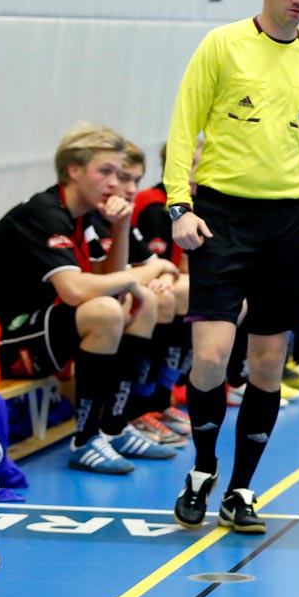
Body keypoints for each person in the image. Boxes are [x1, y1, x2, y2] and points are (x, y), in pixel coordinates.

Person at [165, 0, 299, 536]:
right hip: (222, 217)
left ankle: (241, 488)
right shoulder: (222, 46)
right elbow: (183, 122)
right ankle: (203, 469)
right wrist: (178, 206)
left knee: (269, 364)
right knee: (212, 358)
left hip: (288, 226)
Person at [0, 125, 178, 474]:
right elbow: (76, 291)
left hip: (47, 325)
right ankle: (86, 438)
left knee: (139, 304)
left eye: (118, 173)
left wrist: (122, 228)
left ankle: (115, 424)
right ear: (74, 171)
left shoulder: (90, 215)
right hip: (2, 339)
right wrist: (143, 275)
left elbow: (111, 281)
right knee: (106, 311)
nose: (115, 182)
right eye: (105, 172)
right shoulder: (44, 213)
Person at [118, 141, 192, 444]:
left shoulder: (193, 204)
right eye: (123, 178)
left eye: (135, 180)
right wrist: (160, 272)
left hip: (138, 284)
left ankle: (161, 401)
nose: (130, 188)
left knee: (186, 290)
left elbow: (173, 264)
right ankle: (138, 408)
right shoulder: (154, 208)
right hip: (113, 298)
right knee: (162, 297)